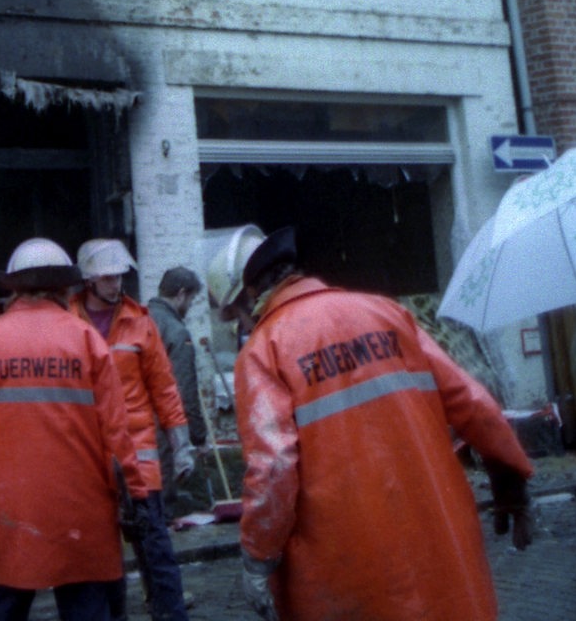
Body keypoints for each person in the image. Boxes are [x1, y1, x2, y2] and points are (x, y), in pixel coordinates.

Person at [214, 224, 535, 621]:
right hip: (439, 553)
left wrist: (257, 556)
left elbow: (274, 466)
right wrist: (510, 480)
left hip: (349, 574)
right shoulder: (387, 313)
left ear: (251, 297)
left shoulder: (265, 350)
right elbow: (474, 404)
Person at [0, 237, 147, 621]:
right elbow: (116, 432)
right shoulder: (86, 340)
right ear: (66, 289)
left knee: (2, 604)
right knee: (85, 603)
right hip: (80, 506)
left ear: (14, 288)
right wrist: (134, 493)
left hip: (8, 506)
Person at [70, 240, 192, 621]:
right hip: (89, 458)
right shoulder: (67, 322)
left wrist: (182, 444)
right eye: (108, 276)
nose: (115, 282)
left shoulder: (140, 323)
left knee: (156, 549)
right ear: (89, 279)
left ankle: (169, 614)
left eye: (120, 274)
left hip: (139, 458)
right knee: (102, 556)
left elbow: (164, 387)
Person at [147, 267, 207, 509]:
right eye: (191, 299)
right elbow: (185, 390)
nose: (190, 306)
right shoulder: (176, 331)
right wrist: (198, 436)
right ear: (181, 294)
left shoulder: (137, 319)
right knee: (163, 504)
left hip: (131, 423)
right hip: (162, 428)